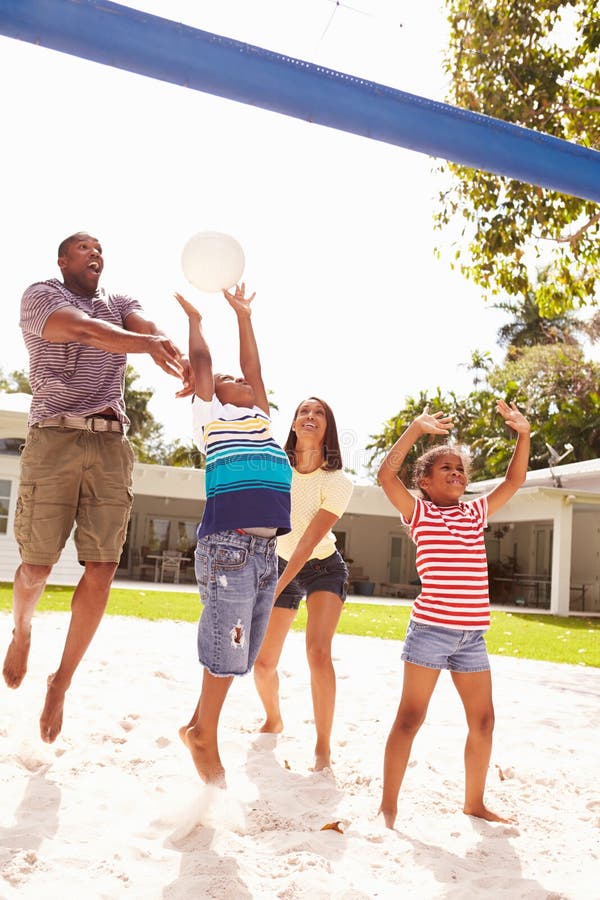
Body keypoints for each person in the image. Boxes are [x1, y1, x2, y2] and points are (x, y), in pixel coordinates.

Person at [2, 231, 187, 744]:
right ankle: (22, 631)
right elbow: (85, 333)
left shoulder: (120, 303)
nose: (95, 254)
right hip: (54, 438)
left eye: (100, 249)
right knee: (36, 566)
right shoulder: (42, 297)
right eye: (84, 248)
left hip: (110, 445)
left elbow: (145, 326)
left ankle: (61, 681)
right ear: (62, 260)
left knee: (103, 569)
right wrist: (147, 345)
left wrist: (174, 350)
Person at [376, 400, 530, 829]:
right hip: (430, 632)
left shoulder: (474, 512)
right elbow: (386, 475)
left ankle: (474, 803)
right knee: (410, 718)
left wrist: (523, 433)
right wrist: (414, 430)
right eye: (446, 468)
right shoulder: (419, 513)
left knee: (484, 720)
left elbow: (515, 479)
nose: (457, 474)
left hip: (472, 637)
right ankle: (388, 807)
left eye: (461, 469)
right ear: (423, 481)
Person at [174, 286, 292, 785]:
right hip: (230, 545)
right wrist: (198, 322)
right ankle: (205, 735)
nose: (241, 379)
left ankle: (197, 726)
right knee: (228, 648)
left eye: (242, 379)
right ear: (213, 392)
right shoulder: (211, 418)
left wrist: (243, 316)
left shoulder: (261, 419)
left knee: (239, 653)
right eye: (228, 378)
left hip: (266, 551)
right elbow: (203, 363)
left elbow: (256, 368)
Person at [253, 396, 353, 771]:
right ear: (294, 424)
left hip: (323, 567)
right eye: (303, 411)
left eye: (320, 413)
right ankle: (274, 718)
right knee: (263, 665)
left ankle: (323, 747)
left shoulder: (338, 482)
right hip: (279, 563)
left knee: (317, 653)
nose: (310, 416)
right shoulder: (275, 469)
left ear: (327, 428)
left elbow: (309, 541)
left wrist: (273, 590)